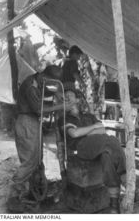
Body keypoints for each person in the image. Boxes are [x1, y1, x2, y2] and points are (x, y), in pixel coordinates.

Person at [11, 65, 76, 202]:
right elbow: (39, 110)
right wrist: (61, 106)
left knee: (37, 158)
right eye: (52, 81)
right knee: (30, 160)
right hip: (26, 121)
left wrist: (60, 95)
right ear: (46, 77)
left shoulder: (42, 81)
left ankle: (33, 190)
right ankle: (14, 192)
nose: (53, 85)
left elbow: (54, 89)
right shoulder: (31, 86)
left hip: (34, 122)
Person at [58, 84, 126, 214]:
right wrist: (93, 128)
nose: (65, 98)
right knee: (112, 141)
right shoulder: (64, 118)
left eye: (69, 96)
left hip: (97, 147)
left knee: (107, 155)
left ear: (77, 100)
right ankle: (125, 179)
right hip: (81, 149)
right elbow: (74, 134)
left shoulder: (89, 116)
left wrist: (88, 130)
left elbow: (102, 129)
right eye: (64, 97)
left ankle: (113, 204)